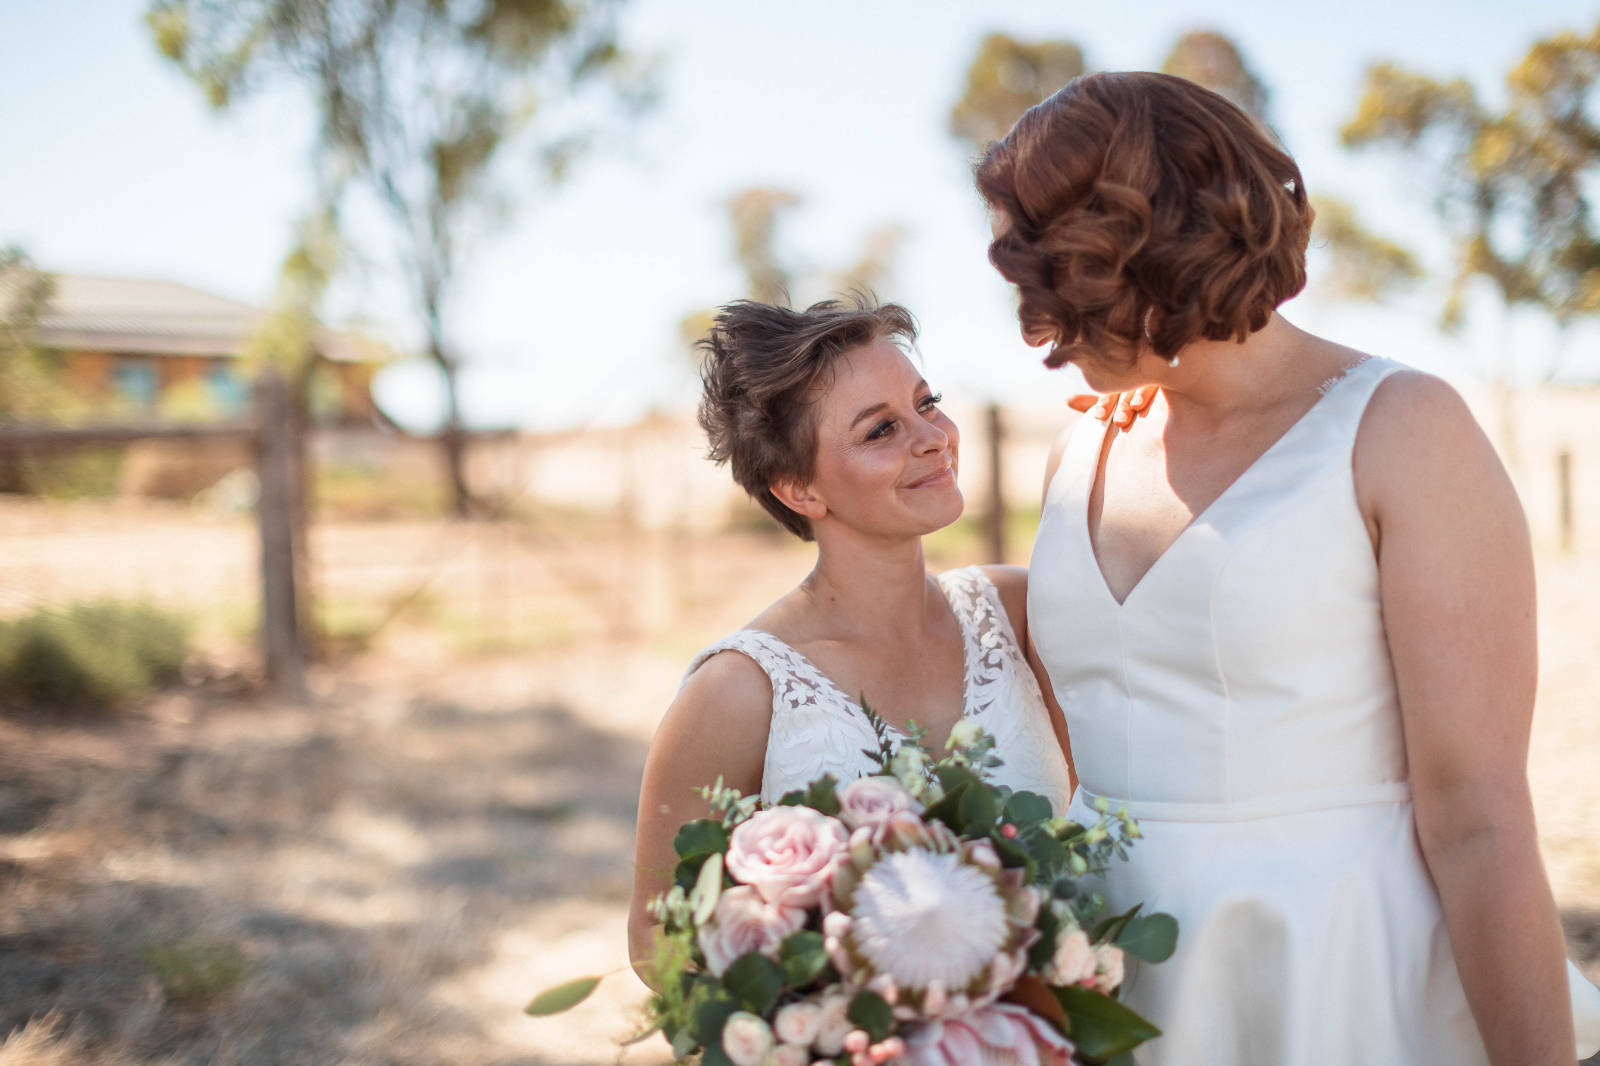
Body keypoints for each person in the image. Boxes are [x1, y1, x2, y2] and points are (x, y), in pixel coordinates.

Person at [976, 70, 1600, 1065]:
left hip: (1333, 972)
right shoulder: (1082, 448)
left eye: (1049, 281)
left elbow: (1478, 817)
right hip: (1100, 977)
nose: (1034, 325)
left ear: (1138, 252)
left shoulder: (1401, 430)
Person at [626, 297, 1080, 976]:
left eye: (928, 403)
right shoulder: (738, 692)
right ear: (800, 489)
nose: (932, 437)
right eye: (880, 431)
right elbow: (658, 944)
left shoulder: (1019, 612)